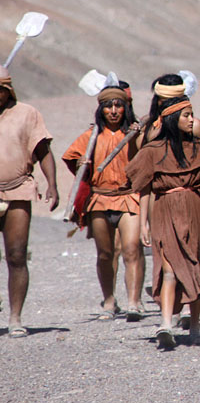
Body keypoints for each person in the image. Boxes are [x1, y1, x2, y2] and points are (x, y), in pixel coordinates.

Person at [127, 95, 200, 348]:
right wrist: (143, 225)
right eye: (187, 115)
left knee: (192, 267)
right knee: (169, 269)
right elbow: (145, 189)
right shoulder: (152, 151)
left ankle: (194, 325)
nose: (192, 119)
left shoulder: (199, 147)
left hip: (193, 210)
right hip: (164, 210)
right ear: (172, 119)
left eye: (192, 114)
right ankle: (165, 324)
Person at [62, 84, 145, 321]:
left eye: (118, 105)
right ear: (101, 109)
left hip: (129, 197)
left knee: (131, 249)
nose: (114, 110)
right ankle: (109, 301)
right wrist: (81, 165)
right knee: (105, 254)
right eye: (108, 106)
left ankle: (134, 301)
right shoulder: (91, 136)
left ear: (125, 108)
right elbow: (72, 158)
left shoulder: (133, 135)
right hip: (99, 199)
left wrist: (139, 136)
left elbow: (148, 157)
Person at [0, 67, 58, 337]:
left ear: (8, 90)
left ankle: (15, 317)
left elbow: (43, 150)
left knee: (16, 254)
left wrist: (53, 186)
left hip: (18, 190)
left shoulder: (27, 113)